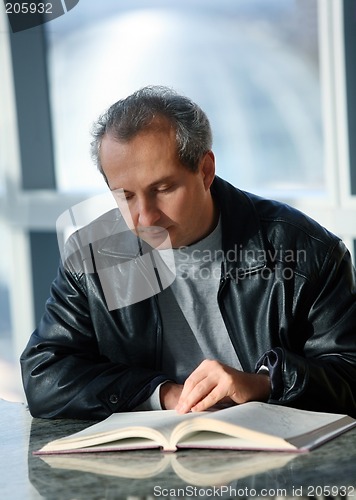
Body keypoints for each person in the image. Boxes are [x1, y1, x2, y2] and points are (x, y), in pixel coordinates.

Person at [20, 86, 356, 420]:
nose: (146, 217)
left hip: (281, 467)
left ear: (205, 170)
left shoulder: (307, 252)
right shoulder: (92, 257)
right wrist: (164, 393)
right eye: (126, 196)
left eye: (163, 188)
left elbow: (350, 374)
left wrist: (262, 384)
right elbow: (44, 375)